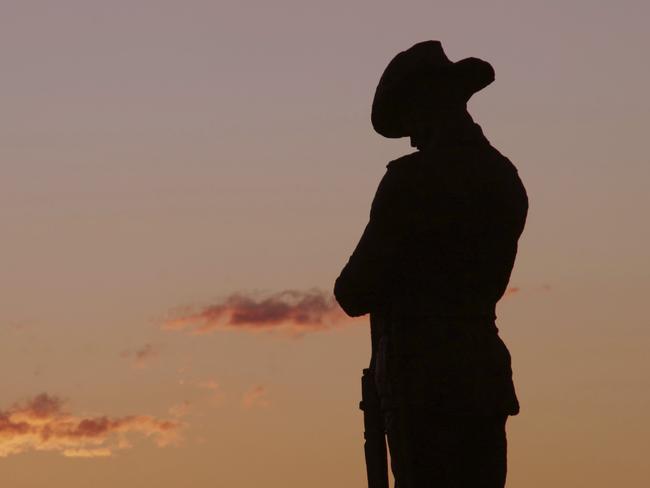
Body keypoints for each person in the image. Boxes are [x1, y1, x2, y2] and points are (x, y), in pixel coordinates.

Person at [334, 40, 528, 488]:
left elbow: (353, 291)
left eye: (412, 122)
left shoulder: (411, 182)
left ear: (428, 106)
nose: (413, 137)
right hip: (481, 377)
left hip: (422, 385)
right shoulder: (503, 177)